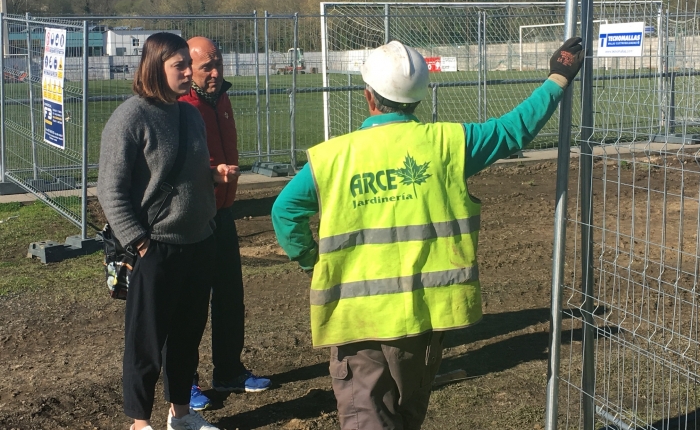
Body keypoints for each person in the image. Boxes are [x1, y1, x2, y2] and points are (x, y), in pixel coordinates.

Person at [271, 38, 584, 429]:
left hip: (356, 322)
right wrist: (558, 76)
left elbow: (284, 212)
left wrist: (311, 262)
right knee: (406, 418)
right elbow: (513, 130)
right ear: (420, 96)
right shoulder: (449, 144)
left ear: (369, 98)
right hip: (425, 320)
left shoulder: (331, 157)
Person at [98, 32, 240, 430]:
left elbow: (189, 171)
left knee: (187, 336)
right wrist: (139, 242)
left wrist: (214, 174)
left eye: (186, 64)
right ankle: (140, 422)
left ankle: (180, 413)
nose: (187, 71)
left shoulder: (189, 113)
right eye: (179, 65)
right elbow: (109, 188)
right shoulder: (131, 117)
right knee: (146, 341)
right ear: (155, 68)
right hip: (155, 248)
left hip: (199, 242)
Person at [179, 36, 270, 411]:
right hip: (192, 220)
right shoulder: (181, 106)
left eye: (219, 64)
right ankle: (184, 385)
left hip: (224, 213)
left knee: (231, 297)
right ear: (189, 69)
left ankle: (229, 370)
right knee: (190, 305)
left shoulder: (223, 99)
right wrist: (208, 175)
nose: (215, 73)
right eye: (207, 67)